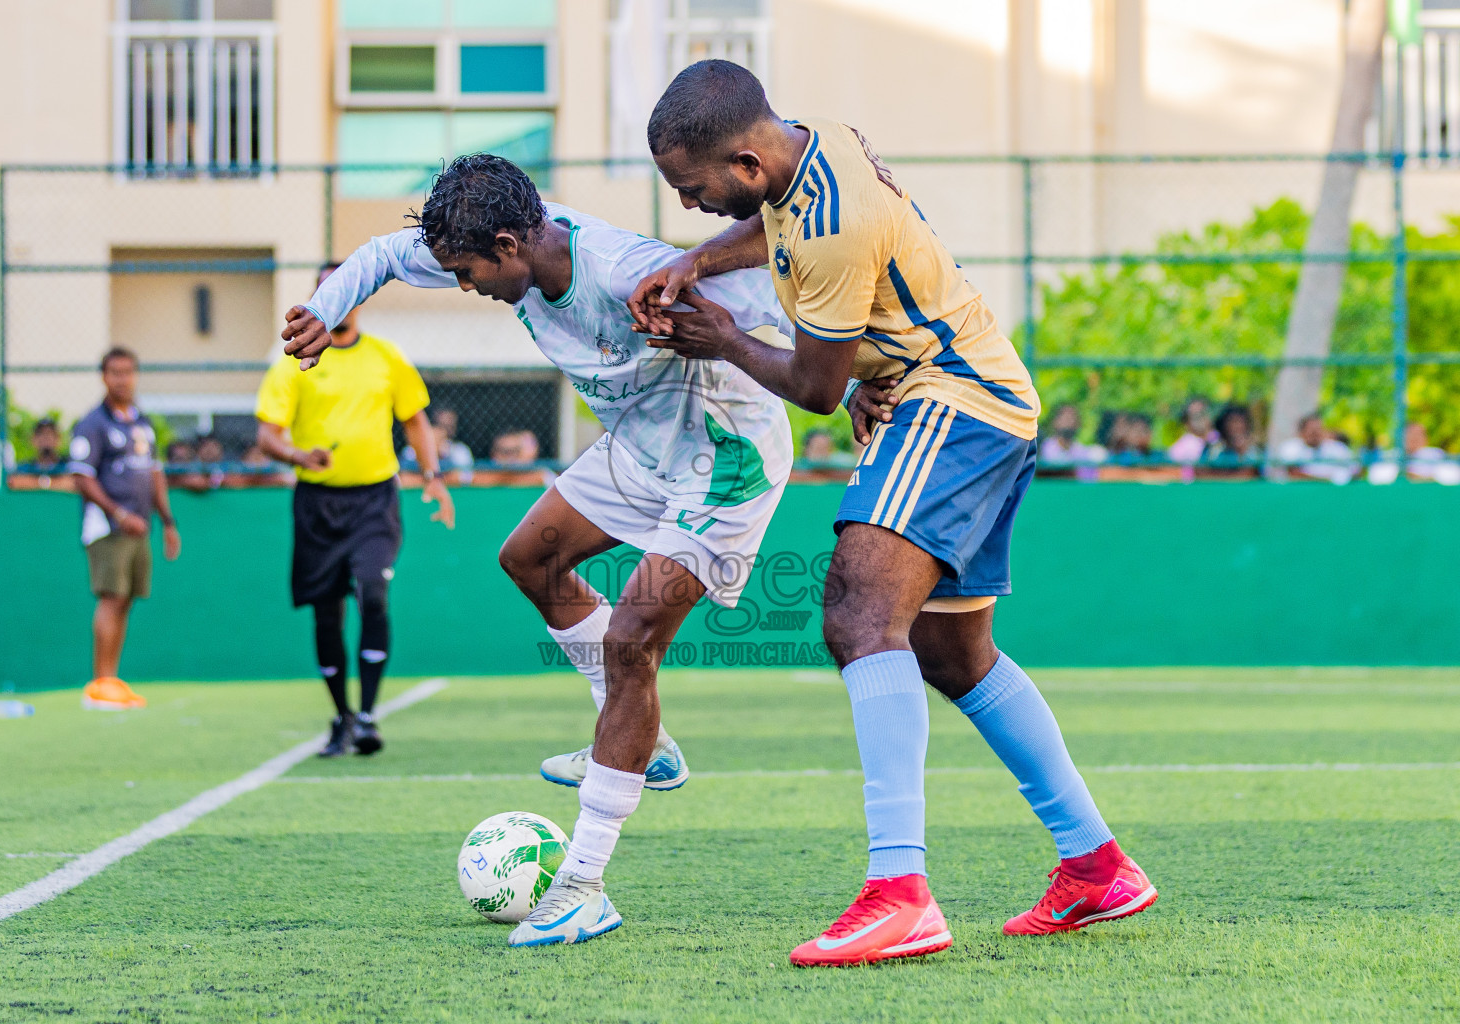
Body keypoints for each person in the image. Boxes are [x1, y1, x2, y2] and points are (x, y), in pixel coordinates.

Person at [629, 60, 1153, 965]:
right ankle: (1097, 865)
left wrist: (720, 334)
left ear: (749, 162)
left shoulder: (832, 221)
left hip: (951, 399)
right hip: (970, 396)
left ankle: (899, 891)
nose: (690, 205)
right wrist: (699, 260)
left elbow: (815, 387)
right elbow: (780, 236)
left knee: (860, 616)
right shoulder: (817, 142)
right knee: (952, 651)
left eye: (695, 188)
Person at [282, 154, 795, 948]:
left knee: (631, 644)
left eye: (467, 271)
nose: (462, 286)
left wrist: (869, 378)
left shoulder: (632, 272)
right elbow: (383, 254)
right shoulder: (491, 235)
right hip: (638, 446)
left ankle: (585, 885)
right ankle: (643, 743)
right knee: (529, 558)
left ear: (510, 243)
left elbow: (787, 275)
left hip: (724, 460)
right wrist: (323, 308)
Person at [257, 263, 456, 758]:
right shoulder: (292, 362)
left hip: (374, 501)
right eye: (326, 289)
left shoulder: (386, 358)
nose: (337, 298)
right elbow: (266, 436)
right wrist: (299, 456)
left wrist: (433, 478)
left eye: (344, 289)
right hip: (317, 505)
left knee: (372, 594)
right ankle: (340, 715)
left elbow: (415, 421)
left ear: (359, 296)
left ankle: (367, 715)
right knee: (327, 614)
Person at [68, 348, 181, 710]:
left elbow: (154, 473)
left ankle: (112, 680)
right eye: (115, 373)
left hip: (140, 527)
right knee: (111, 598)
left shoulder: (141, 423)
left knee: (126, 601)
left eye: (129, 372)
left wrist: (167, 521)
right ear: (104, 377)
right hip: (109, 528)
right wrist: (117, 514)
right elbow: (82, 478)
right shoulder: (93, 424)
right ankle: (99, 684)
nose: (123, 379)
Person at [1276, 413, 1357, 484]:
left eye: (1318, 430)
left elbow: (1355, 469)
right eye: (1312, 432)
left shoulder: (1337, 448)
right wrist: (1326, 480)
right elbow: (1293, 473)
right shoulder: (1290, 448)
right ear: (1301, 432)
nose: (1316, 435)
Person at [1167, 398, 1216, 467]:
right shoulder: (1179, 449)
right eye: (1195, 416)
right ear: (1186, 423)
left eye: (1203, 413)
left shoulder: (1221, 438)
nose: (1200, 419)